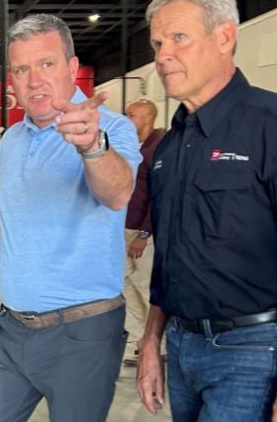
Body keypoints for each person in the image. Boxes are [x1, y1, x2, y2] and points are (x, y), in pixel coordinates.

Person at [136, 0, 277, 422]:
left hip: (253, 352)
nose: (162, 55)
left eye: (178, 38)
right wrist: (151, 344)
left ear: (224, 37)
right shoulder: (170, 147)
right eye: (158, 43)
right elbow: (169, 261)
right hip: (182, 349)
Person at [0, 14, 141, 422]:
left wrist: (91, 147)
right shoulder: (10, 140)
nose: (34, 80)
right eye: (22, 69)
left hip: (83, 334)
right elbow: (1, 230)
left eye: (46, 64)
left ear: (73, 68)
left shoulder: (111, 129)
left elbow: (117, 194)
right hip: (11, 332)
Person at [123, 98, 164, 365]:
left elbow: (160, 196)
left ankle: (157, 346)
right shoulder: (134, 147)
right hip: (124, 229)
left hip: (142, 234)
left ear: (147, 117)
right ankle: (140, 339)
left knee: (147, 288)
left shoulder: (158, 149)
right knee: (123, 284)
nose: (126, 118)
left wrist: (145, 234)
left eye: (131, 114)